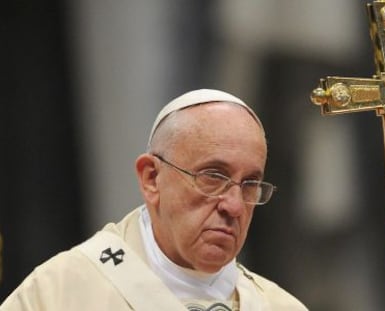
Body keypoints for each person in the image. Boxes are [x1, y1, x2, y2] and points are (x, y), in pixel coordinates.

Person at [0, 89, 308, 310]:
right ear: (151, 178)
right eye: (213, 176)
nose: (235, 205)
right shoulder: (61, 292)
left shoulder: (277, 305)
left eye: (250, 184)